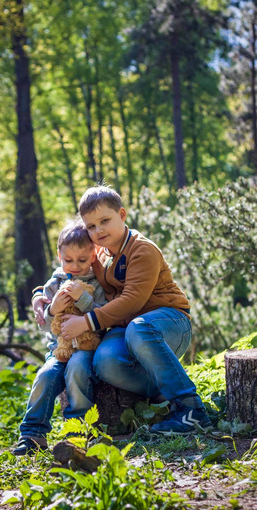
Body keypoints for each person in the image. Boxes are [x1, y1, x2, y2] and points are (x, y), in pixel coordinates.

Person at [34, 185, 212, 436]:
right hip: (126, 327)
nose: (99, 230)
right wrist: (40, 295)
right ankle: (162, 392)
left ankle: (191, 408)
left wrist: (86, 322)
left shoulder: (142, 249)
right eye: (92, 226)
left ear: (122, 215)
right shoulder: (101, 255)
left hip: (168, 322)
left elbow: (132, 301)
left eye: (105, 220)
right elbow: (69, 270)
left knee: (139, 328)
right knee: (104, 362)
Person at [13, 219, 107, 456]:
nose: (74, 266)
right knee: (45, 376)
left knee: (77, 370)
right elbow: (45, 327)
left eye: (82, 260)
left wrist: (83, 300)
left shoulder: (99, 281)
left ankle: (77, 432)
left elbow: (105, 316)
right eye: (68, 260)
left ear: (94, 255)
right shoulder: (55, 283)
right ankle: (32, 433)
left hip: (87, 349)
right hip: (59, 349)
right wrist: (52, 309)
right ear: (59, 256)